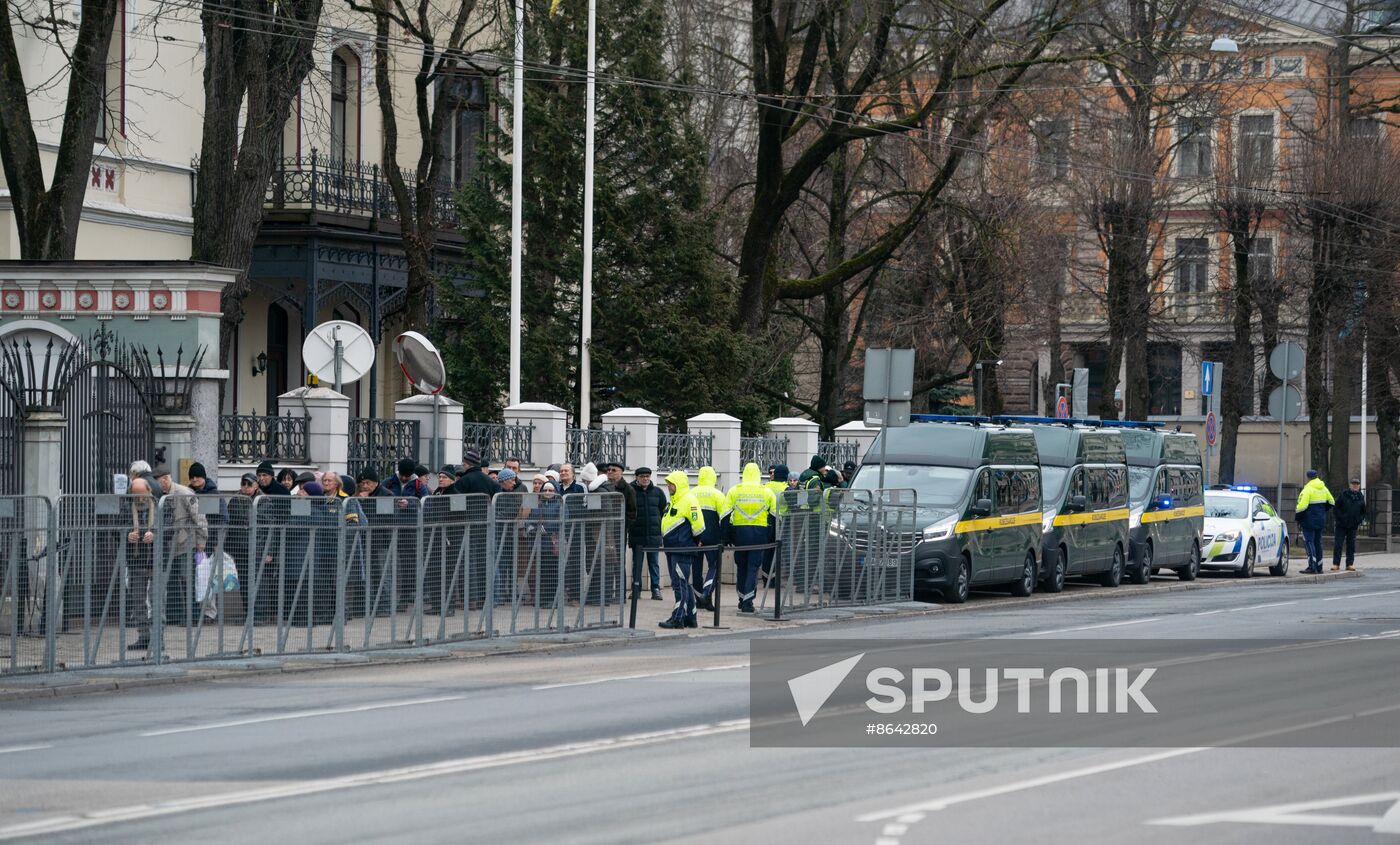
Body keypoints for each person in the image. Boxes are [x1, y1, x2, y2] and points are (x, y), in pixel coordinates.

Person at [154, 465, 209, 628]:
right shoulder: (157, 494)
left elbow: (199, 518)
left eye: (157, 481)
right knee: (170, 581)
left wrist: (201, 541)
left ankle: (192, 616)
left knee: (187, 580)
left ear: (165, 479)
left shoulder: (184, 493)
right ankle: (175, 615)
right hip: (167, 545)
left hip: (185, 543)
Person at [727, 462, 779, 614]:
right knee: (753, 568)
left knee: (741, 567)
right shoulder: (766, 492)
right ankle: (748, 602)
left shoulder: (734, 490)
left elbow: (725, 516)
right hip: (759, 534)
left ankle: (742, 598)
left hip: (740, 534)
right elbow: (775, 516)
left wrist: (727, 536)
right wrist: (772, 536)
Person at [658, 471, 706, 629]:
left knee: (679, 584)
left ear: (678, 484)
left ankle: (677, 619)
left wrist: (697, 541)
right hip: (673, 548)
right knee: (683, 583)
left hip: (682, 549)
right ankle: (690, 618)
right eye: (668, 483)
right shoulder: (674, 500)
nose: (668, 486)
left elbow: (698, 524)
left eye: (671, 483)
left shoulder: (689, 499)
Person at [690, 466, 729, 611]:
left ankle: (699, 600)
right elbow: (724, 517)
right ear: (713, 478)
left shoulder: (691, 493)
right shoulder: (717, 494)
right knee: (715, 566)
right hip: (713, 537)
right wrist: (725, 537)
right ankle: (707, 594)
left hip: (695, 537)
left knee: (696, 570)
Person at [125, 477, 157, 650]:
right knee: (138, 601)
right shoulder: (126, 508)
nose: (139, 499)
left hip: (155, 560)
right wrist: (127, 536)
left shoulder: (160, 505)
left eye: (142, 494)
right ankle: (144, 637)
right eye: (135, 495)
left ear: (149, 491)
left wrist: (155, 535)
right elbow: (117, 528)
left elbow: (169, 528)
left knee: (157, 600)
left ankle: (158, 639)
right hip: (136, 561)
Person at [630, 467, 665, 600]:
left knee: (654, 563)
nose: (645, 479)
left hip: (653, 534)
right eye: (642, 476)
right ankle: (636, 590)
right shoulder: (631, 491)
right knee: (637, 564)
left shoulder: (657, 492)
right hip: (637, 534)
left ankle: (655, 589)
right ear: (637, 477)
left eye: (647, 476)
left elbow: (662, 511)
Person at [1296, 469, 1335, 573]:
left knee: (1309, 542)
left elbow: (1301, 507)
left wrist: (1298, 518)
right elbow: (1332, 501)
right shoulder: (1324, 488)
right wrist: (1322, 511)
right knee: (1318, 543)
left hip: (1308, 521)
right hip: (1320, 520)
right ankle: (1319, 567)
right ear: (1317, 476)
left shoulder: (1308, 489)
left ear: (1308, 477)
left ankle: (1312, 567)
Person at [1333, 478, 1368, 572]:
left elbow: (1363, 511)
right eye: (1353, 484)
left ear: (1359, 486)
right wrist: (1340, 518)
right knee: (1338, 544)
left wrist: (1358, 520)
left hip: (1353, 525)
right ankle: (1336, 564)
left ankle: (1349, 564)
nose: (1355, 485)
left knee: (1351, 545)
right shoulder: (1343, 495)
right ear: (1350, 485)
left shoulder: (1360, 496)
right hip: (1341, 525)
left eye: (1357, 484)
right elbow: (1336, 508)